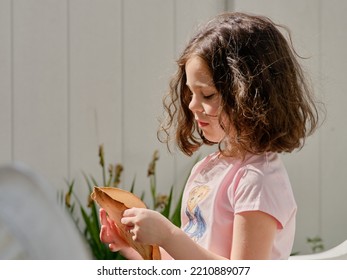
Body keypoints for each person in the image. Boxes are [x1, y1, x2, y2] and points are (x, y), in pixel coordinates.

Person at [99, 11, 320, 260]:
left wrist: (169, 235)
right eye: (191, 93)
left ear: (248, 95)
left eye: (207, 95)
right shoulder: (208, 168)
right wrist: (128, 244)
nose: (192, 105)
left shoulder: (258, 180)